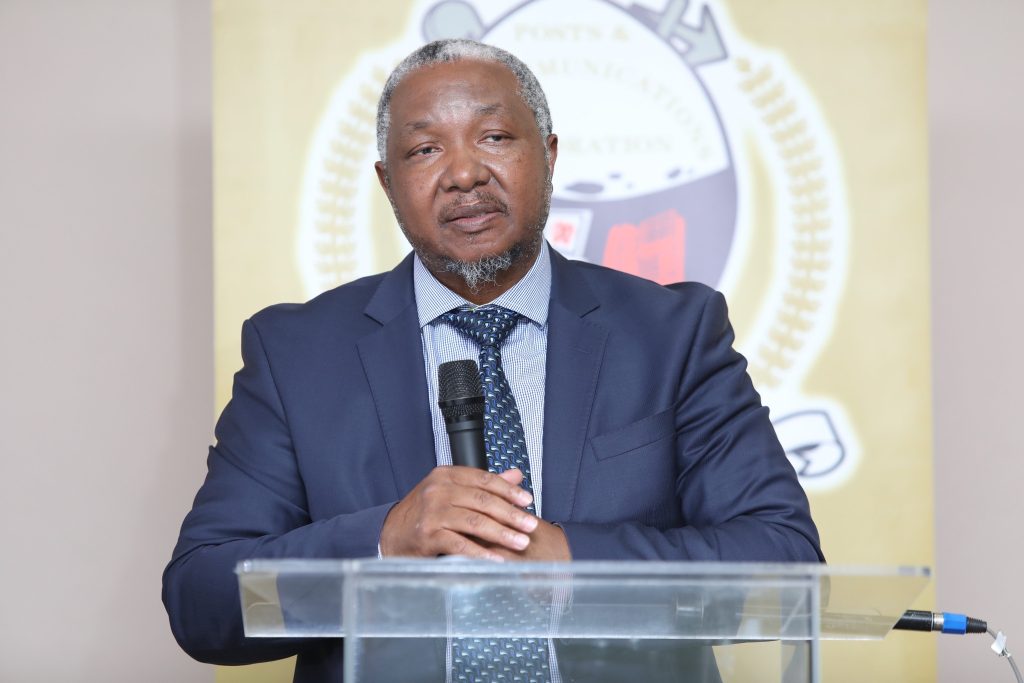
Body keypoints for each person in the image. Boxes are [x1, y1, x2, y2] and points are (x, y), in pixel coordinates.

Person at [163, 39, 823, 681]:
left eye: (495, 137)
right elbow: (201, 599)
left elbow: (786, 563)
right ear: (388, 182)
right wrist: (385, 542)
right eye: (425, 149)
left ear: (550, 155)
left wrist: (573, 561)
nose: (464, 174)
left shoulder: (672, 335)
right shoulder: (296, 355)